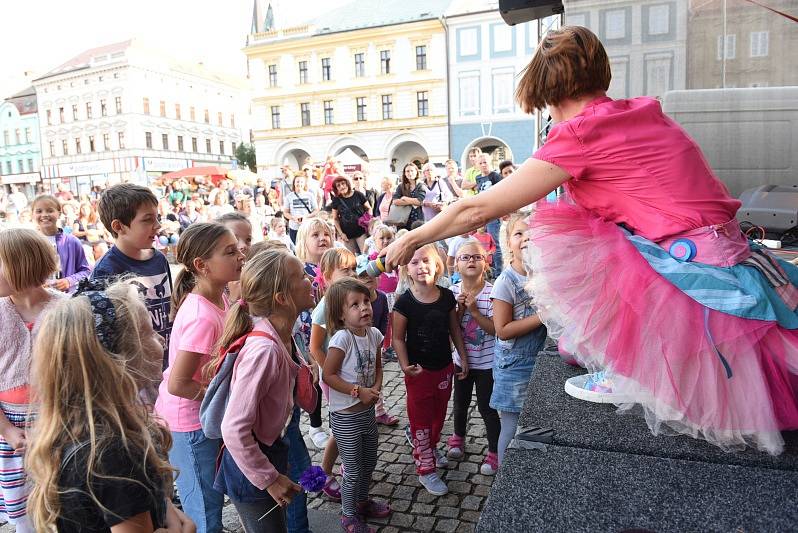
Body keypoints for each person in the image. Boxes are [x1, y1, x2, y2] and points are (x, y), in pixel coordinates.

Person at [382, 24, 798, 455]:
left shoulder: (581, 132)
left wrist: (414, 236)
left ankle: (626, 369)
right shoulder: (637, 113)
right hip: (729, 261)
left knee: (574, 237)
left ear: (544, 86)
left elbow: (477, 210)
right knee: (590, 227)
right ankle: (625, 365)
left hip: (696, 280)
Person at [26, 281, 194, 533]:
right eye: (149, 332)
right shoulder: (114, 452)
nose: (160, 338)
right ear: (118, 361)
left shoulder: (82, 427)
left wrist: (163, 503)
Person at [155, 222, 245, 533]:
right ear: (201, 265)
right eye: (230, 252)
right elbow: (179, 383)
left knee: (211, 501)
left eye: (238, 248)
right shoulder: (202, 316)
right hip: (190, 426)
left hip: (203, 419)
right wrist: (223, 396)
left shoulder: (220, 298)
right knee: (204, 512)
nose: (240, 255)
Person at [214, 250, 311, 532]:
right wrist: (269, 478)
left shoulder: (283, 335)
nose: (311, 280)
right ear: (282, 298)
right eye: (303, 277)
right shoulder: (264, 350)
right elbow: (233, 428)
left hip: (268, 452)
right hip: (250, 468)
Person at [392, 244, 468, 496]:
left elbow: (454, 328)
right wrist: (404, 366)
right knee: (421, 421)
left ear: (437, 265)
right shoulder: (404, 303)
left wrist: (462, 356)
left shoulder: (447, 297)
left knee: (439, 414)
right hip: (418, 373)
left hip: (444, 368)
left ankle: (432, 447)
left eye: (426, 260)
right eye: (414, 262)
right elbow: (398, 338)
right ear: (407, 269)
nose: (421, 266)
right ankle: (425, 468)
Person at [0, 229, 63, 532]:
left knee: (63, 497)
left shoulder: (66, 309)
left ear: (21, 265)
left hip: (61, 422)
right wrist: (8, 430)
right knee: (23, 507)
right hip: (10, 428)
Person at [323, 279, 392, 533]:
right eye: (354, 305)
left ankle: (362, 501)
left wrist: (375, 387)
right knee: (352, 468)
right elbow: (328, 375)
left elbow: (377, 367)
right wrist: (357, 391)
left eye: (366, 302)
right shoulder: (342, 338)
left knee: (369, 461)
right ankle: (348, 515)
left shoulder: (374, 334)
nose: (364, 308)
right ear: (341, 314)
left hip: (366, 413)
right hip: (345, 418)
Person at [93, 183, 174, 369]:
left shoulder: (159, 259)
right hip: (134, 370)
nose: (158, 226)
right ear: (119, 226)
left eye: (157, 218)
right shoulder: (105, 271)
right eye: (147, 220)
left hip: (166, 360)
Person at [490, 214, 547, 464]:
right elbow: (502, 329)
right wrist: (544, 316)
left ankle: (529, 470)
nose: (526, 238)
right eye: (519, 233)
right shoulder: (506, 282)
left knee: (536, 421)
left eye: (531, 232)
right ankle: (504, 476)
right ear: (508, 243)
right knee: (512, 426)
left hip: (539, 359)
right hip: (514, 365)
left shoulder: (542, 276)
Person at [447, 240, 500, 475]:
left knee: (488, 408)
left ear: (486, 262)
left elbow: (496, 329)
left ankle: (494, 451)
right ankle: (458, 436)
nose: (471, 261)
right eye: (465, 257)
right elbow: (451, 329)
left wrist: (475, 311)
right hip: (461, 361)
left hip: (487, 364)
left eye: (476, 257)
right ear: (456, 264)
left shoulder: (493, 293)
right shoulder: (452, 293)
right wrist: (459, 311)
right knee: (460, 403)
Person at [294, 218, 334, 449]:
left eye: (326, 234)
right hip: (308, 330)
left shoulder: (333, 265)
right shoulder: (300, 268)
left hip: (331, 330)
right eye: (315, 235)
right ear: (303, 241)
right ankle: (316, 424)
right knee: (314, 378)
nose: (322, 238)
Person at [30, 194, 91, 294]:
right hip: (39, 298)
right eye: (39, 211)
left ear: (59, 213)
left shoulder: (72, 241)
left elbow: (85, 271)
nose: (44, 214)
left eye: (50, 210)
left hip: (66, 298)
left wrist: (69, 281)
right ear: (32, 214)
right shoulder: (29, 244)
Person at [473, 154, 503, 274]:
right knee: (482, 241)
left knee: (495, 242)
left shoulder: (495, 176)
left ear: (490, 162)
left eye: (485, 162)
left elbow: (501, 193)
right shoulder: (478, 177)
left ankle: (498, 272)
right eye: (480, 163)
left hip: (493, 213)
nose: (483, 165)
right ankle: (486, 270)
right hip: (482, 212)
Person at [330, 176, 370, 254]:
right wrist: (341, 234)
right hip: (346, 234)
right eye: (338, 185)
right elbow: (335, 218)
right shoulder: (336, 199)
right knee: (350, 258)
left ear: (347, 184)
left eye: (343, 183)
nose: (341, 186)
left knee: (365, 255)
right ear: (336, 189)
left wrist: (368, 220)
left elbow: (369, 208)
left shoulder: (358, 194)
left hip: (361, 231)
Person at [284, 174, 319, 243]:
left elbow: (316, 210)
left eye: (301, 182)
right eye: (297, 181)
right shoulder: (289, 196)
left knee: (308, 247)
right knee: (296, 249)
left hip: (307, 227)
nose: (299, 184)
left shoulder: (310, 195)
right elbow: (285, 212)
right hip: (294, 227)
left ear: (304, 184)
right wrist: (293, 218)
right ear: (294, 183)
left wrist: (306, 217)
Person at [391, 164, 425, 230]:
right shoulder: (401, 186)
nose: (410, 173)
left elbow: (419, 201)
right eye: (407, 171)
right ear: (405, 173)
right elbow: (395, 201)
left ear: (416, 172)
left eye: (412, 171)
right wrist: (412, 201)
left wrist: (405, 198)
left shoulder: (421, 185)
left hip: (417, 220)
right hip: (403, 220)